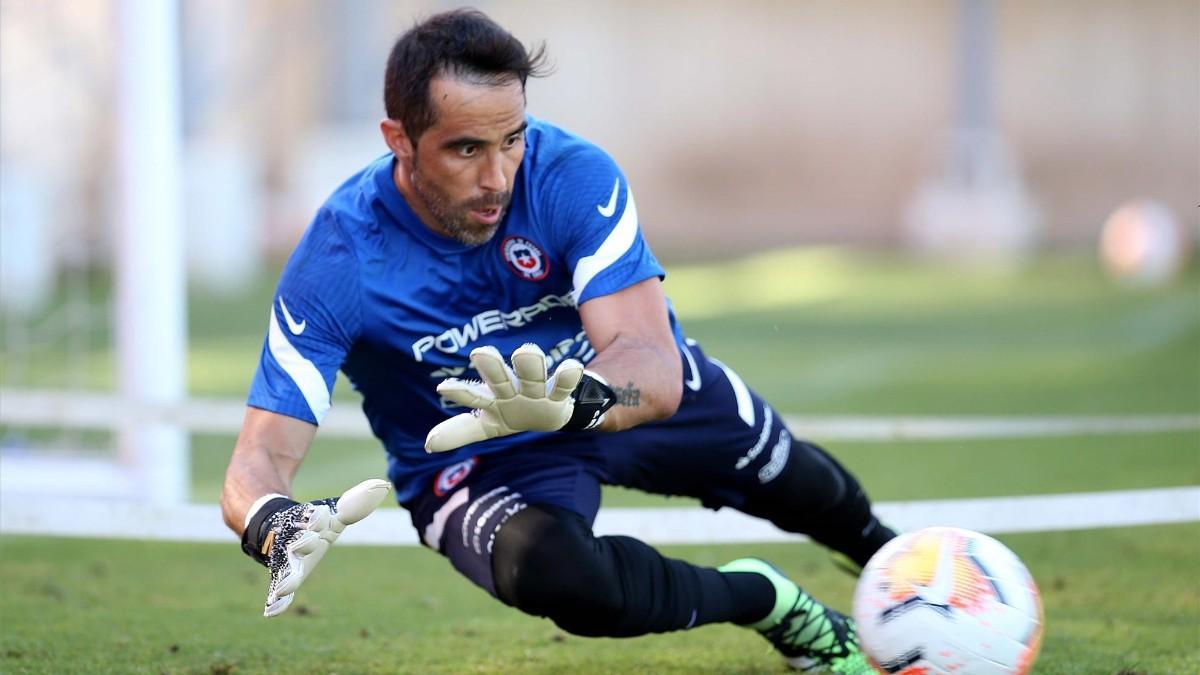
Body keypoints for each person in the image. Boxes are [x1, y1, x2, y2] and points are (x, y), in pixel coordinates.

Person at [220, 9, 895, 674]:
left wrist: (574, 404)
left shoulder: (571, 176)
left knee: (806, 486)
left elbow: (655, 370)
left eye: (511, 139)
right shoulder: (339, 258)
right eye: (466, 149)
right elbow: (258, 459)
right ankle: (771, 601)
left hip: (599, 391)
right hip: (482, 464)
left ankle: (910, 567)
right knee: (567, 581)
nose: (497, 178)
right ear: (398, 138)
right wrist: (273, 522)